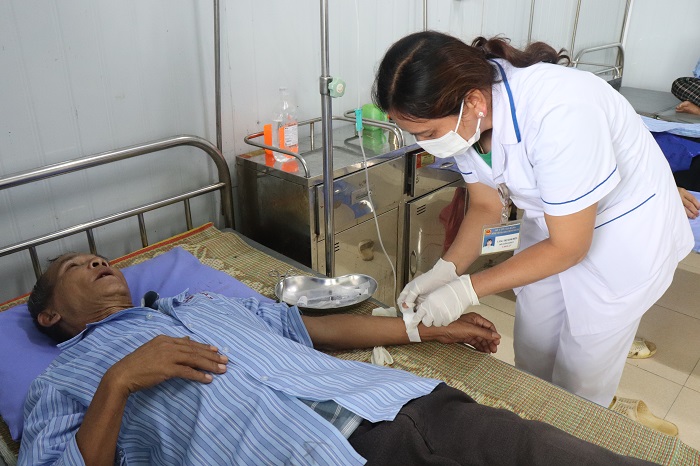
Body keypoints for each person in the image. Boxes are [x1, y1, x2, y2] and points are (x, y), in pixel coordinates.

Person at [17, 253, 657, 466]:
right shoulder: (61, 382)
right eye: (75, 266)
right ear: (48, 315)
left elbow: (312, 328)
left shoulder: (200, 303)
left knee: (533, 450)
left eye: (100, 258)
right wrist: (120, 381)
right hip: (288, 457)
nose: (98, 261)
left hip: (391, 411)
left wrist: (424, 329)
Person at [373, 31, 694, 407]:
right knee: (532, 351)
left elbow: (569, 247)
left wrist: (466, 290)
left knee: (580, 378)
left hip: (620, 235)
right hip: (552, 224)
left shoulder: (560, 110)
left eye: (428, 133)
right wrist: (446, 271)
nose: (425, 143)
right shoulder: (467, 118)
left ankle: (583, 424)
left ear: (473, 101)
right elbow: (486, 206)